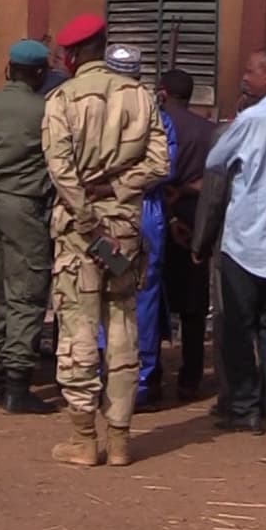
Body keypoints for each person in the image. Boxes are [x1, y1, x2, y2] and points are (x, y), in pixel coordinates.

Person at [43, 15, 170, 468]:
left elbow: (60, 171)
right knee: (123, 326)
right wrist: (116, 189)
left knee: (78, 327)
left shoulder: (61, 99)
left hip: (80, 234)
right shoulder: (140, 96)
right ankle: (119, 440)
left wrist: (83, 211)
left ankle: (83, 438)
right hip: (125, 230)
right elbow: (159, 164)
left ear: (72, 56)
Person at [203, 49, 266, 436]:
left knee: (238, 326)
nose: (244, 77)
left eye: (250, 71)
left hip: (245, 239)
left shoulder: (252, 119)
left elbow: (216, 160)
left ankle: (245, 406)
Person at [0, 40, 58, 414]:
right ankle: (17, 384)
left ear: (10, 69)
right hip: (24, 206)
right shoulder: (45, 110)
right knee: (25, 293)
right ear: (40, 73)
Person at [103, 44, 173, 408]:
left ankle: (101, 376)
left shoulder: (87, 109)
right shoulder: (154, 113)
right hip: (143, 213)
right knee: (139, 295)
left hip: (100, 213)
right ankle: (139, 383)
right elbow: (164, 168)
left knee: (99, 289)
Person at [158, 68, 216, 400]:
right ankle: (189, 378)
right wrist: (188, 190)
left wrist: (170, 193)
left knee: (152, 299)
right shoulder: (209, 132)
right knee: (194, 308)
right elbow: (218, 178)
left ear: (163, 91)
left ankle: (149, 377)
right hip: (196, 223)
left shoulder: (152, 126)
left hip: (158, 220)